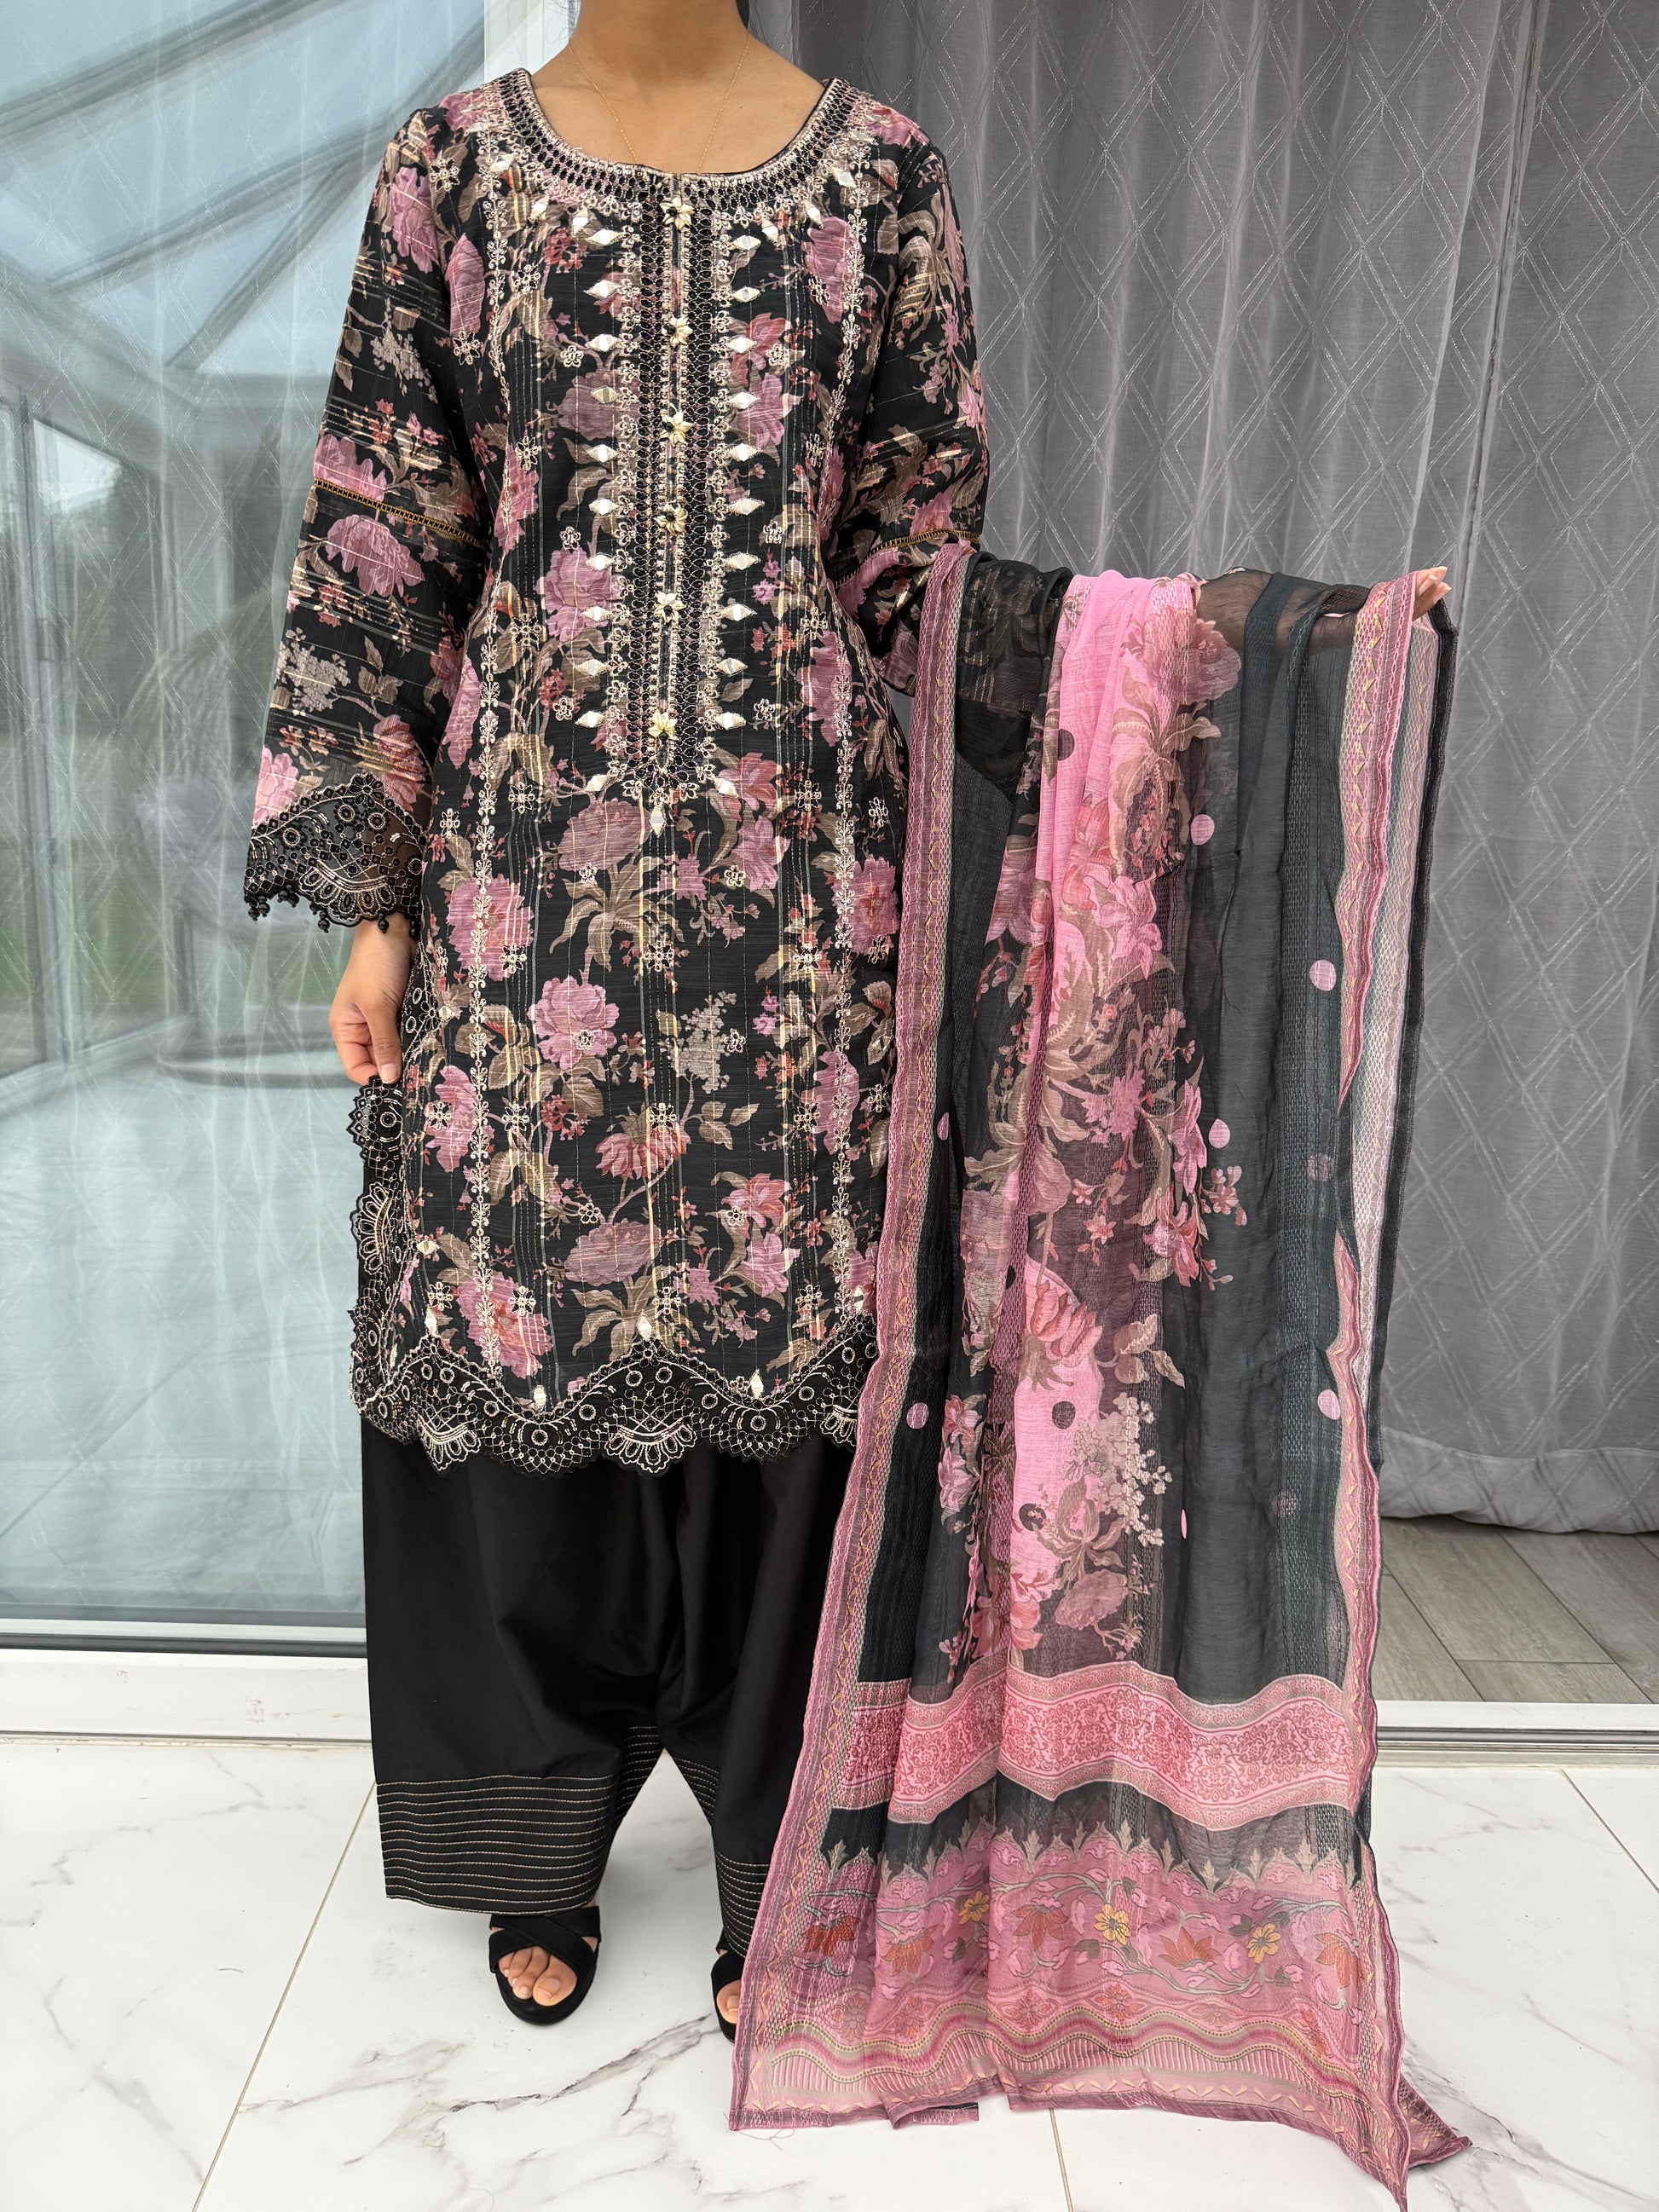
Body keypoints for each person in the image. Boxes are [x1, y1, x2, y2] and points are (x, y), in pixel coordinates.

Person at [245, 0, 1450, 2041]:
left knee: (798, 1387)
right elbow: (380, 544)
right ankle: (534, 1822)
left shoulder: (877, 178)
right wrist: (372, 907)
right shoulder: (449, 174)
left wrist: (1262, 648)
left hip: (801, 913)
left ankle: (774, 1841)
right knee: (512, 1348)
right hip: (514, 901)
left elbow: (922, 574)